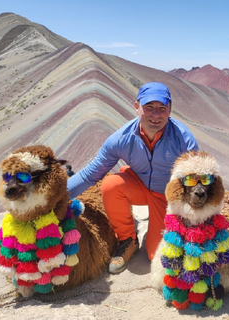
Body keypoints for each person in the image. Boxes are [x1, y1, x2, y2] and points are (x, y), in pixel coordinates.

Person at [67, 82, 199, 274]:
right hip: (137, 183)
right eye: (149, 107)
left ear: (170, 110)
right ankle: (127, 240)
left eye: (162, 108)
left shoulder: (184, 140)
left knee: (157, 257)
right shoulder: (121, 139)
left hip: (166, 197)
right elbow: (90, 174)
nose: (156, 114)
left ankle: (156, 232)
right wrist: (59, 195)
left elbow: (196, 182)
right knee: (111, 184)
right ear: (136, 107)